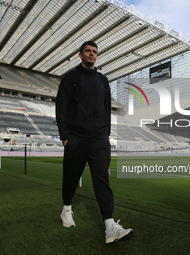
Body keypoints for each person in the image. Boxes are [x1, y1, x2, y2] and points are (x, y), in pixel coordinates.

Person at [56, 41, 134, 244]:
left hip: (99, 139)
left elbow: (106, 108)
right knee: (71, 178)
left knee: (102, 178)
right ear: (80, 55)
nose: (92, 54)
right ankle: (66, 209)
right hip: (76, 139)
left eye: (95, 52)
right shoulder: (70, 79)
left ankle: (110, 227)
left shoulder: (103, 80)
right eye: (88, 51)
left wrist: (106, 134)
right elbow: (62, 108)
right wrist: (65, 137)